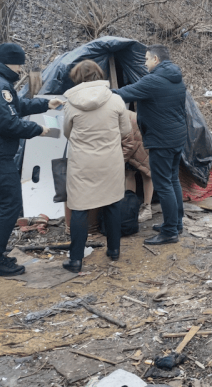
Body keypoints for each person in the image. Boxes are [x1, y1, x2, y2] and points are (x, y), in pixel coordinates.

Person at [0, 43, 64, 277]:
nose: (21, 69)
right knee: (11, 205)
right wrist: (38, 129)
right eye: (20, 64)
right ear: (12, 62)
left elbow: (13, 107)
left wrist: (46, 103)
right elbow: (8, 123)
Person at [114, 45, 187, 245]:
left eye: (146, 59)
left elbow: (122, 94)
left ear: (155, 59)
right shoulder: (176, 77)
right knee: (172, 181)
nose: (145, 63)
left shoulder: (153, 81)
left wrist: (97, 92)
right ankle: (176, 223)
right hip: (177, 137)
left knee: (163, 185)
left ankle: (170, 231)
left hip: (161, 140)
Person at [62, 60, 131, 272]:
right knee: (111, 204)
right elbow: (126, 130)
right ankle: (114, 250)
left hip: (82, 164)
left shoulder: (70, 103)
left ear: (76, 77)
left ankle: (75, 260)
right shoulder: (116, 99)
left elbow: (67, 132)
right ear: (99, 74)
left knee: (80, 209)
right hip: (110, 161)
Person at [121, 110, 155, 221]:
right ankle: (131, 207)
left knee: (146, 172)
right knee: (129, 173)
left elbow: (129, 144)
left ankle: (147, 208)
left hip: (142, 137)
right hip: (134, 136)